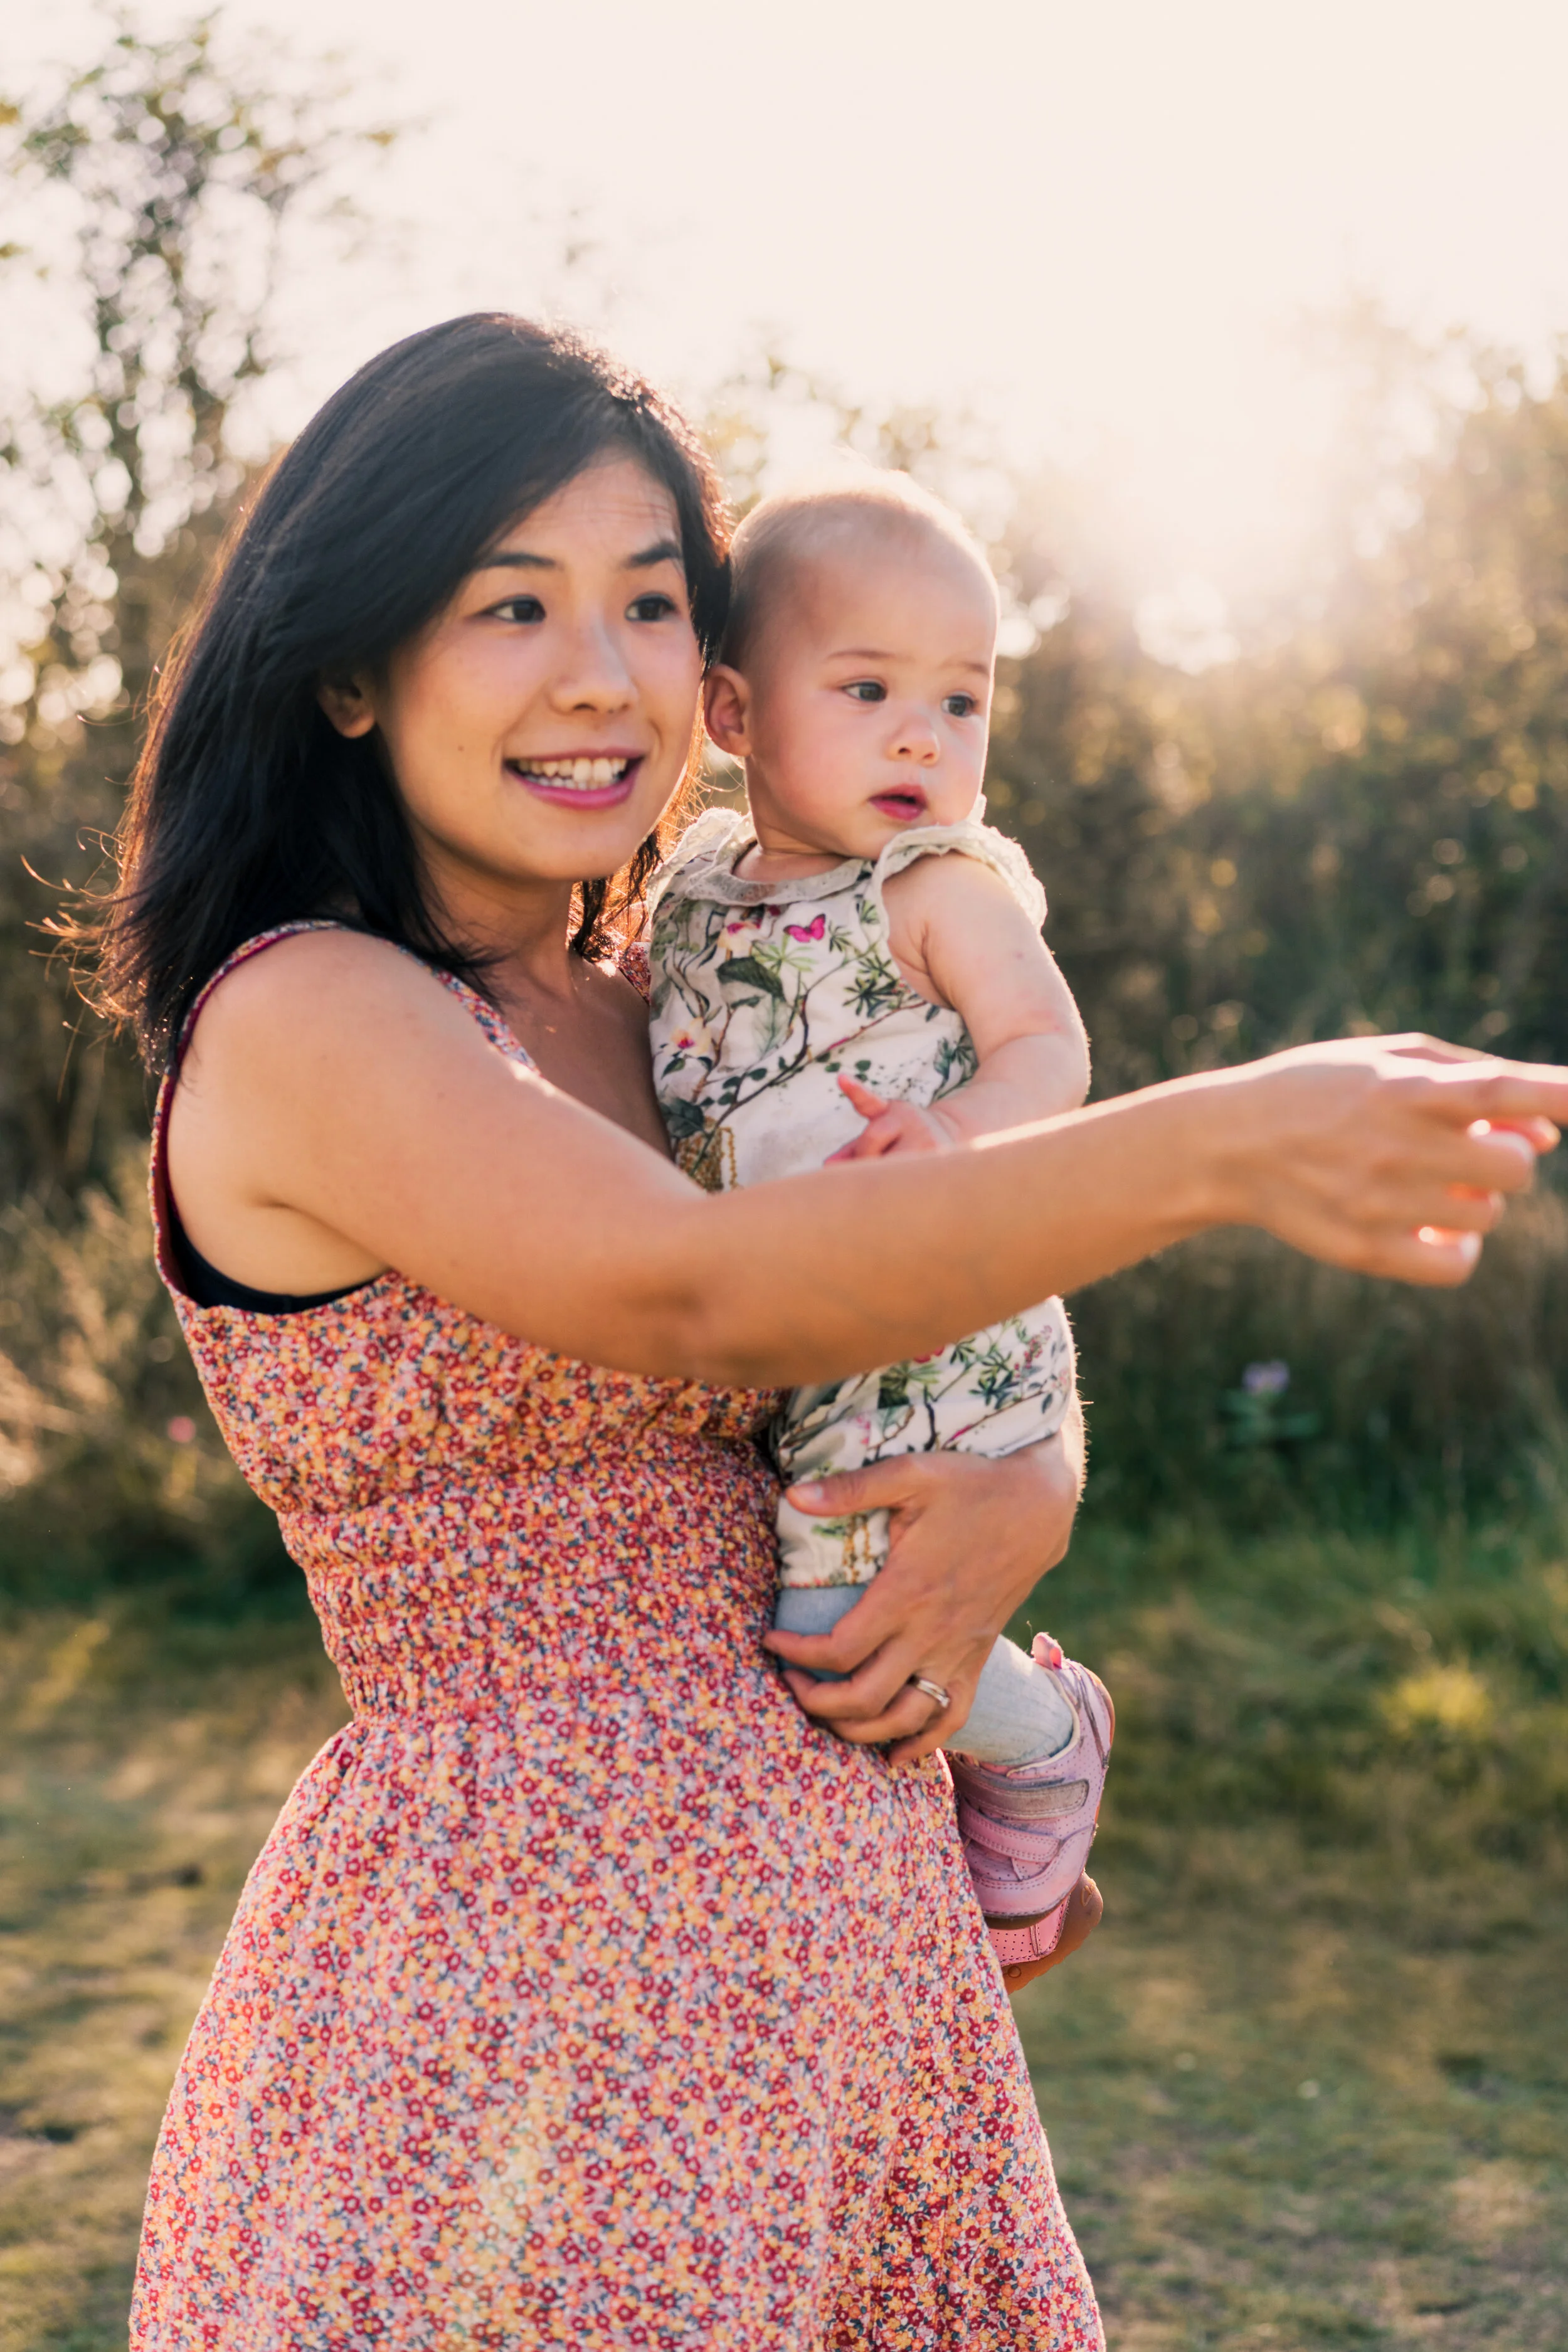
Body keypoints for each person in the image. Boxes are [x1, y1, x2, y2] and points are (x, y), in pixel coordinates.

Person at [99, 314, 1567, 2351]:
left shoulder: (684, 998)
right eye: (514, 604)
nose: (600, 671)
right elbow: (693, 1293)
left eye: (645, 602)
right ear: (351, 663)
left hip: (854, 1976)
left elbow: (879, 1321)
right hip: (514, 2014)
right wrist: (1222, 1143)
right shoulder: (312, 1016)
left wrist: (1033, 1485)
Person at [648, 469, 1111, 1991]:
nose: (924, 736)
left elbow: (1051, 1051)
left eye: (961, 702)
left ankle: (1041, 1744)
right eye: (866, 690)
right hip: (792, 1339)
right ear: (731, 710)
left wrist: (954, 1134)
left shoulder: (935, 887)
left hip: (937, 1329)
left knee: (838, 1633)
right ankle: (969, 1854)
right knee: (831, 1624)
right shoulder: (688, 893)